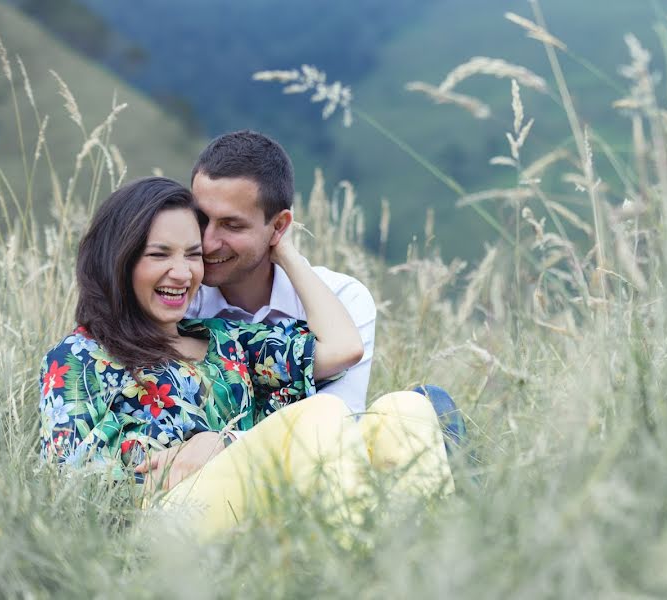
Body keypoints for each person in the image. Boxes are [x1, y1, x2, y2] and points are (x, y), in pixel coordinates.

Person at [38, 177, 454, 538]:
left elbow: (343, 348)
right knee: (322, 413)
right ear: (120, 260)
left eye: (193, 254)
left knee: (408, 411)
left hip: (257, 507)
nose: (182, 273)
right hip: (164, 523)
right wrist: (177, 468)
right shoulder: (79, 357)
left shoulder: (227, 342)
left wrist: (283, 249)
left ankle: (422, 569)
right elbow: (71, 485)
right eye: (159, 254)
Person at [185, 130, 466, 448]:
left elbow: (339, 420)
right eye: (200, 218)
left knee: (428, 409)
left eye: (232, 225)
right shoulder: (181, 301)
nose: (207, 242)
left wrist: (288, 256)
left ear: (279, 226)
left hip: (323, 465)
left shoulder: (344, 297)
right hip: (225, 483)